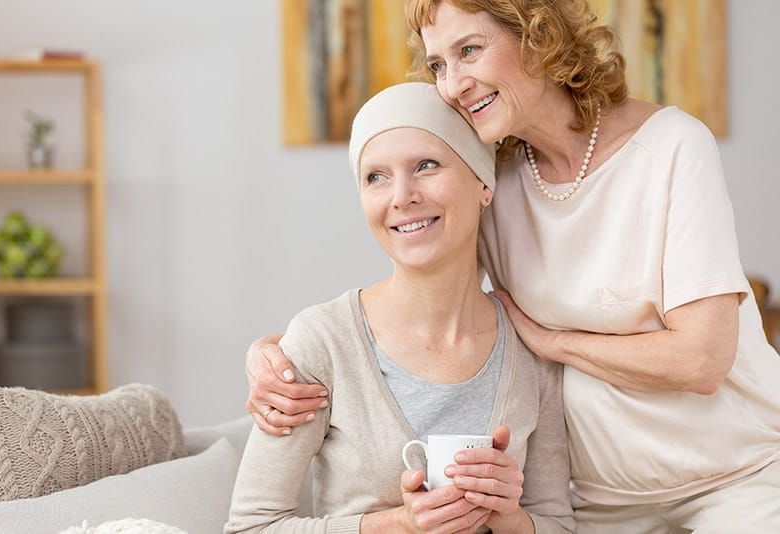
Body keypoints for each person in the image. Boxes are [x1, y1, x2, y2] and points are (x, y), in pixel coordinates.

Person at [246, 1, 780, 531]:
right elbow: (421, 305)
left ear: (538, 36)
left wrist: (556, 345)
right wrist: (277, 355)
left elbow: (703, 359)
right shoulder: (494, 178)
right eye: (438, 65)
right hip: (600, 500)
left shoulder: (671, 147)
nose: (452, 84)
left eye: (469, 51)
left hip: (735, 476)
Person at [226, 82, 575, 534]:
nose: (401, 195)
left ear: (482, 183)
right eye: (376, 177)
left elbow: (560, 526)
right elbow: (249, 527)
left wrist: (508, 516)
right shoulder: (322, 344)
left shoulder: (530, 347)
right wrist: (399, 524)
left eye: (426, 165)